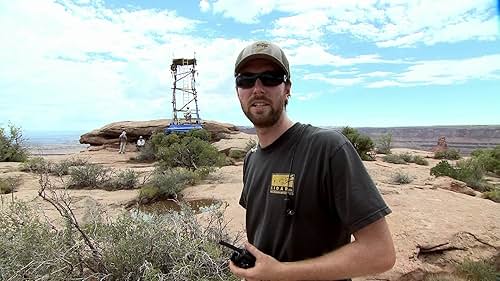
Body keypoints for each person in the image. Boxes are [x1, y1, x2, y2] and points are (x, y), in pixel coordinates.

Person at [229, 41, 395, 281]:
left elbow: (380, 253)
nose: (257, 88)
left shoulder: (327, 148)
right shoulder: (252, 159)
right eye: (246, 79)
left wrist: (282, 273)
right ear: (238, 90)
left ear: (287, 88)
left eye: (270, 78)